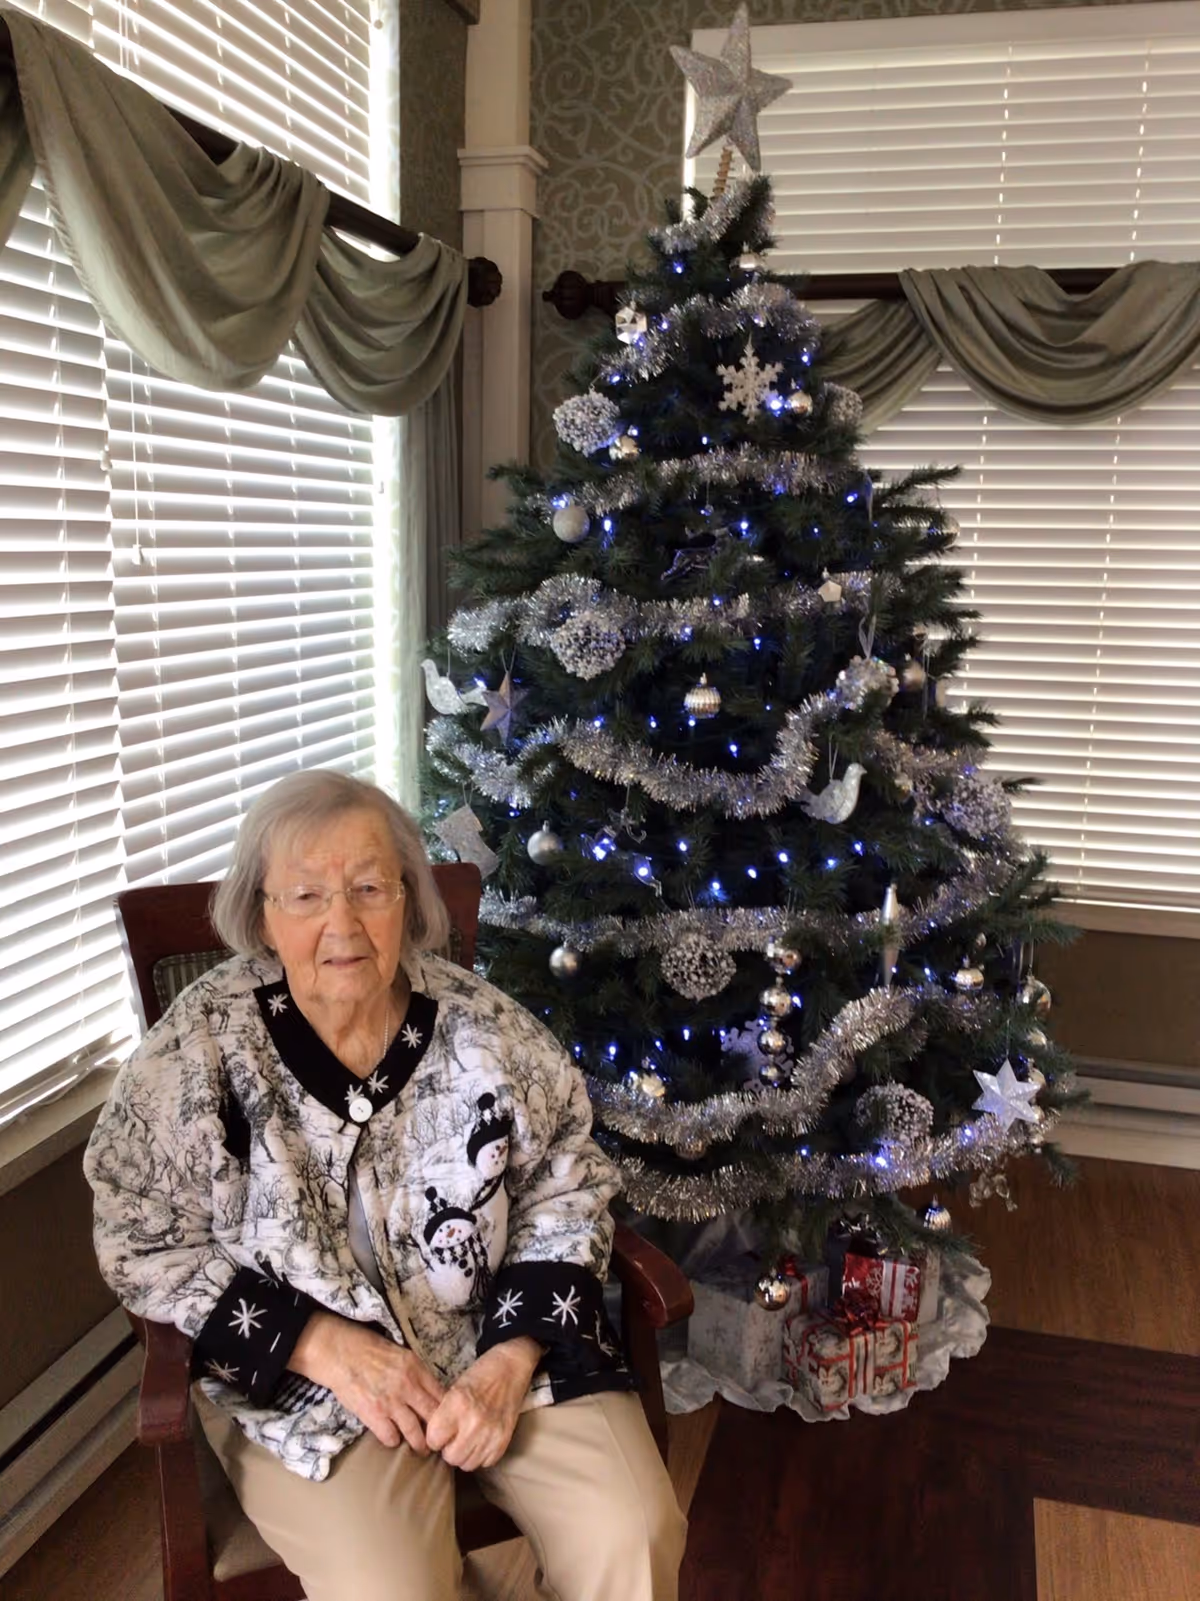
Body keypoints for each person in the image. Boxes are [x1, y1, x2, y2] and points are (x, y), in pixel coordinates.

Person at [84, 769, 687, 1601]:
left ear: (408, 900)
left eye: (370, 887)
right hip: (309, 1385)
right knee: (392, 1588)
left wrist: (510, 1360)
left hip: (501, 1347)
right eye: (305, 895)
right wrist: (323, 1346)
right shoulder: (202, 1051)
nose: (342, 923)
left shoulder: (485, 1025)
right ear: (263, 912)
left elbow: (565, 1181)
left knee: (633, 1531)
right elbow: (137, 1229)